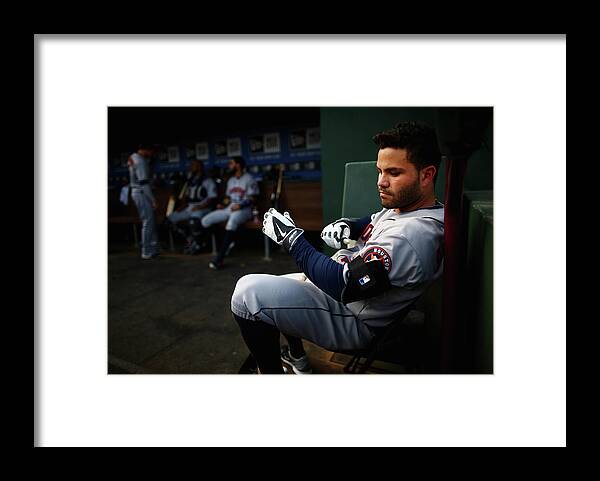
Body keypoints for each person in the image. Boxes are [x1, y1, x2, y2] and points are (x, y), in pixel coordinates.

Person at [230, 121, 445, 374]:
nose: (381, 182)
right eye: (380, 171)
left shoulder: (412, 234)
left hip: (354, 318)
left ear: (427, 175)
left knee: (247, 294)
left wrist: (292, 239)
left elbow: (342, 284)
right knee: (275, 285)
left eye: (394, 173)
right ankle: (298, 360)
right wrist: (349, 226)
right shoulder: (410, 208)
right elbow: (374, 219)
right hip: (346, 299)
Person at [199, 156, 259, 270]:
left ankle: (219, 259)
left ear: (238, 165)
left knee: (231, 223)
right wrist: (222, 203)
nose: (229, 166)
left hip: (244, 209)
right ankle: (228, 242)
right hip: (230, 208)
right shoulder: (231, 180)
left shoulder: (249, 179)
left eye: (231, 163)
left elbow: (253, 198)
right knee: (205, 221)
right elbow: (228, 198)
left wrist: (240, 205)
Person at [165, 160, 217, 254]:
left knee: (193, 221)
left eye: (193, 166)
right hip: (190, 208)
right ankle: (190, 240)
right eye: (191, 165)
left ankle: (198, 245)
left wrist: (200, 207)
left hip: (203, 208)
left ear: (200, 167)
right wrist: (181, 206)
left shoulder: (207, 180)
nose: (191, 167)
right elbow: (185, 196)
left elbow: (212, 198)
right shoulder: (190, 181)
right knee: (169, 220)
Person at [128, 144, 160, 260]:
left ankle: (153, 248)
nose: (152, 154)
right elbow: (144, 183)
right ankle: (146, 251)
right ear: (146, 149)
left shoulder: (134, 156)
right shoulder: (140, 161)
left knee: (150, 221)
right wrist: (153, 200)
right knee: (147, 222)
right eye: (152, 151)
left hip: (139, 192)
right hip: (141, 192)